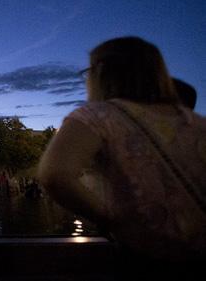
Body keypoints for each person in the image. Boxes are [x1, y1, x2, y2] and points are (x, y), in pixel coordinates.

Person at [38, 37, 206, 280]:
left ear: (102, 72)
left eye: (88, 72)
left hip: (146, 256)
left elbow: (54, 175)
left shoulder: (98, 115)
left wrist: (110, 218)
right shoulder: (196, 123)